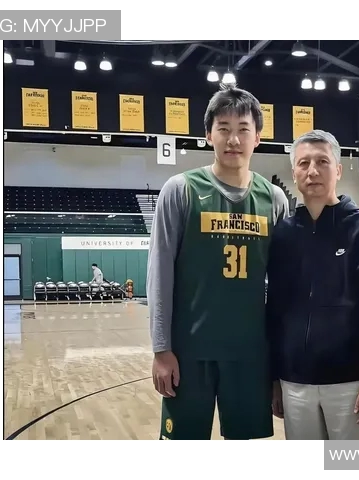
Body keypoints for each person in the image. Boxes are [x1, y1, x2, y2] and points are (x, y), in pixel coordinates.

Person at [147, 84, 289, 440]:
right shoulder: (180, 189)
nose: (233, 139)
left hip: (251, 354)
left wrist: (279, 365)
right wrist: (161, 350)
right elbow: (159, 276)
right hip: (189, 351)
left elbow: (284, 291)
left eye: (243, 129)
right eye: (223, 128)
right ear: (208, 134)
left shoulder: (274, 199)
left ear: (258, 137)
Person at [266, 130, 359, 440]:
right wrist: (274, 377)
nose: (312, 171)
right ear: (294, 173)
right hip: (294, 383)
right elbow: (275, 311)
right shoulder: (283, 235)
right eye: (303, 163)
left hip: (351, 383)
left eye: (322, 162)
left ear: (338, 170)